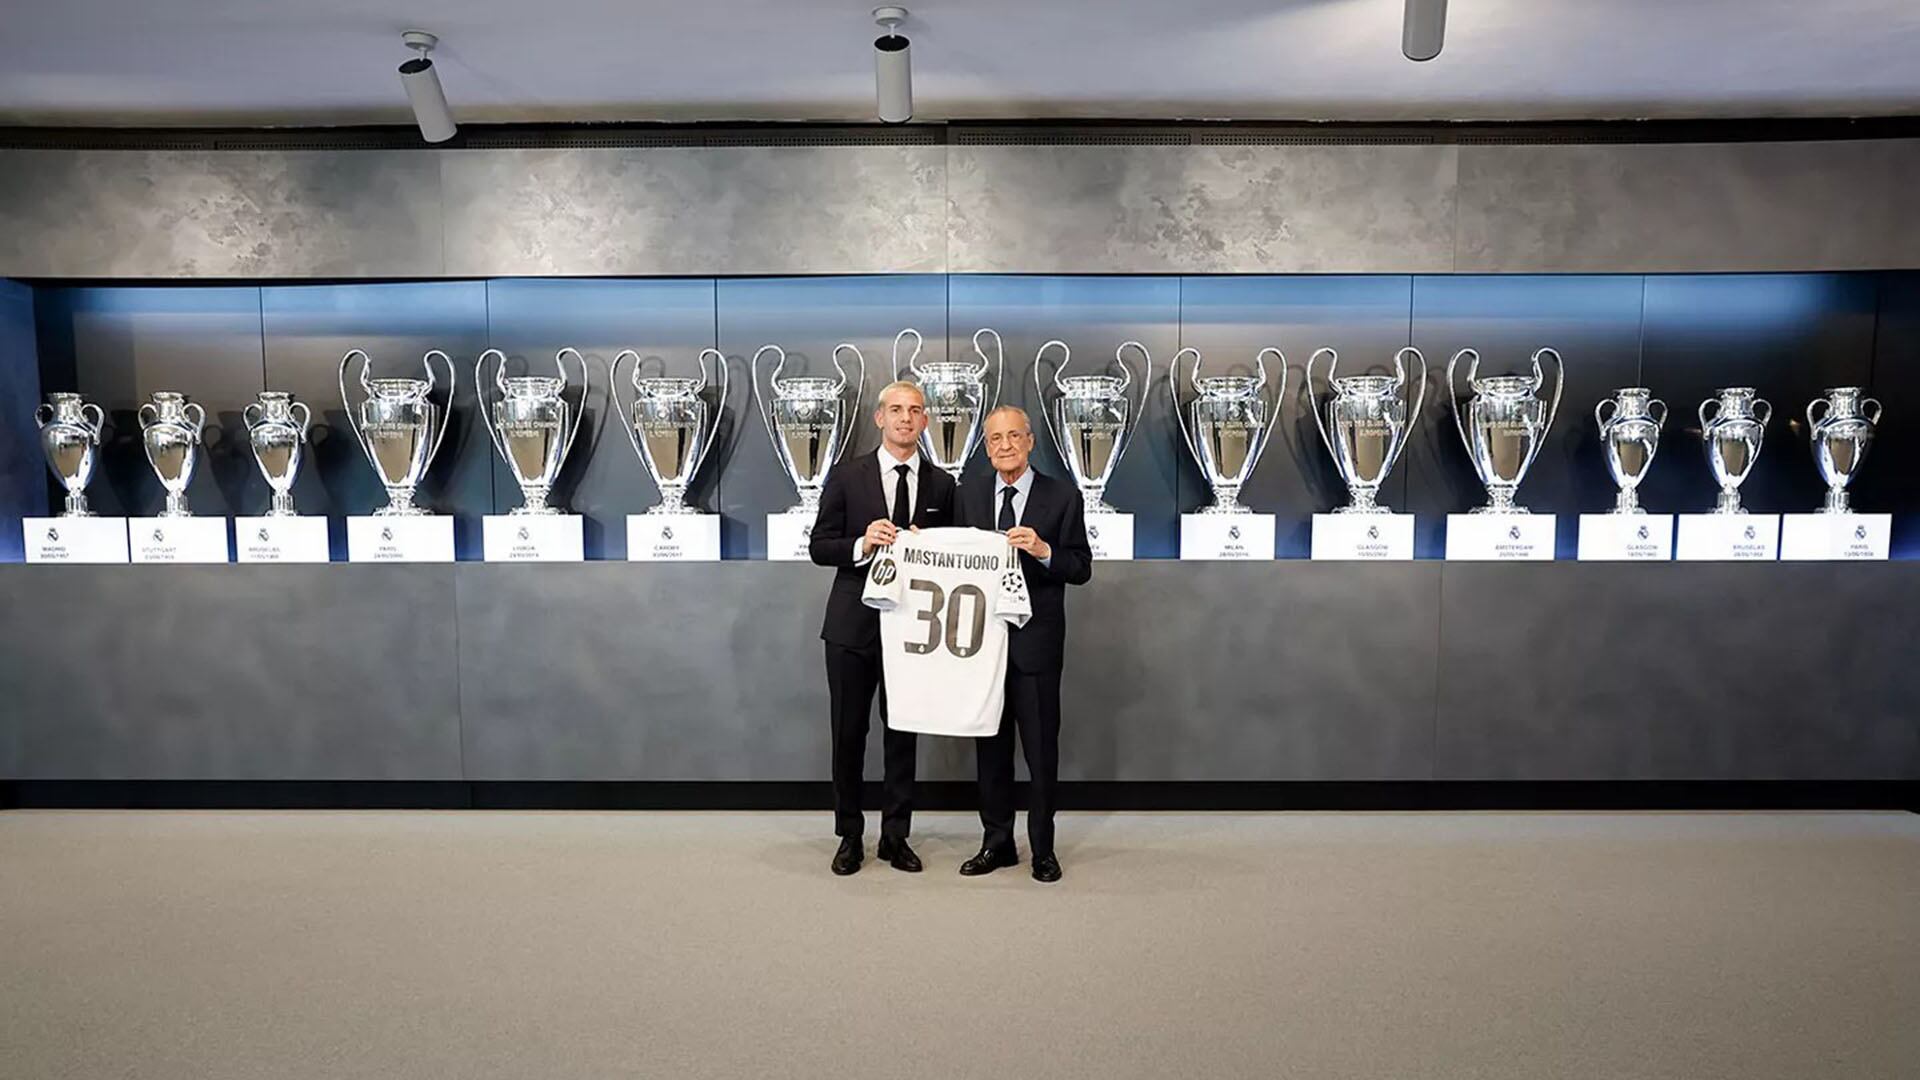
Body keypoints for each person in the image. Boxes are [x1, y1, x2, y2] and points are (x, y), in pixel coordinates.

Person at [808, 379, 956, 875]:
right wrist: (862, 542)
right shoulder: (847, 476)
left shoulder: (943, 485)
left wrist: (929, 544)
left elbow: (956, 556)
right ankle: (849, 836)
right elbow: (819, 546)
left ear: (926, 421)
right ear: (879, 418)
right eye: (896, 409)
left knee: (902, 736)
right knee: (848, 735)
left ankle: (896, 836)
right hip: (853, 627)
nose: (905, 418)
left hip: (915, 628)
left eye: (915, 410)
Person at [956, 405, 1092, 883]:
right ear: (986, 447)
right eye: (995, 439)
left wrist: (1043, 549)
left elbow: (1080, 567)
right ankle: (996, 844)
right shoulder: (968, 493)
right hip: (982, 646)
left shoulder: (1062, 496)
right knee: (989, 752)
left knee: (1039, 752)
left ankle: (1042, 849)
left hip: (1035, 646)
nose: (1005, 446)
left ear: (1031, 441)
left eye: (1014, 436)